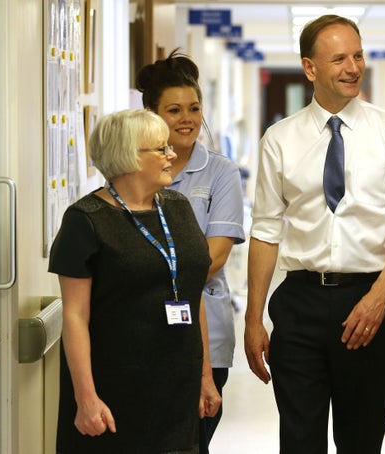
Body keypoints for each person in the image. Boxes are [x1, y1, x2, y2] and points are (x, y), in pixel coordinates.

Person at [244, 14, 385, 453]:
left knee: (360, 439)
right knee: (300, 438)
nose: (353, 67)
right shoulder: (280, 139)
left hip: (369, 300)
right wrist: (253, 317)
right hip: (299, 304)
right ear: (310, 68)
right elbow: (266, 229)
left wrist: (379, 297)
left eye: (358, 55)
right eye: (339, 58)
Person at [48, 109, 219, 453]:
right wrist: (85, 397)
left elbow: (191, 293)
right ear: (128, 157)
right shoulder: (86, 221)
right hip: (114, 393)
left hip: (178, 391)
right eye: (161, 149)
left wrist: (205, 377)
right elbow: (75, 317)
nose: (172, 155)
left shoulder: (178, 207)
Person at [136, 49, 246, 453]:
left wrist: (143, 274)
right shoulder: (133, 171)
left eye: (194, 108)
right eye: (174, 109)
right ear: (151, 113)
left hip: (206, 338)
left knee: (193, 441)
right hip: (141, 331)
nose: (187, 119)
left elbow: (212, 258)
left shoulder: (221, 173)